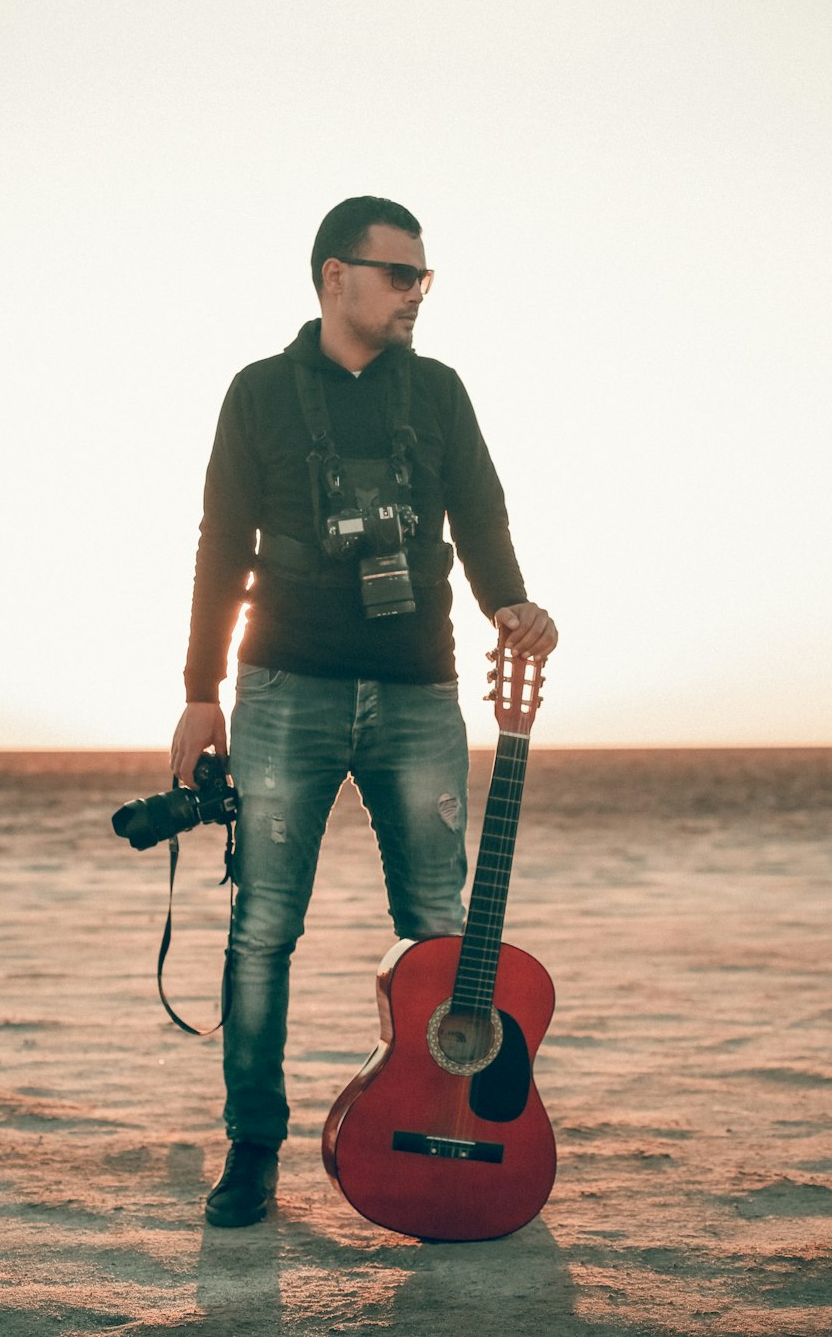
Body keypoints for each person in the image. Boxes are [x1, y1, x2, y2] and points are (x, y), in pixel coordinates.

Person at [171, 196, 557, 1227]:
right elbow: (222, 543)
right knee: (263, 931)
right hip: (284, 688)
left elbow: (480, 510)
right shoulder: (257, 393)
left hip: (420, 693)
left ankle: (448, 1151)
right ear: (335, 276)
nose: (416, 295)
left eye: (425, 278)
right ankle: (253, 1151)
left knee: (439, 940)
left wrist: (511, 603)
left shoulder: (437, 392)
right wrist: (200, 691)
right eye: (400, 276)